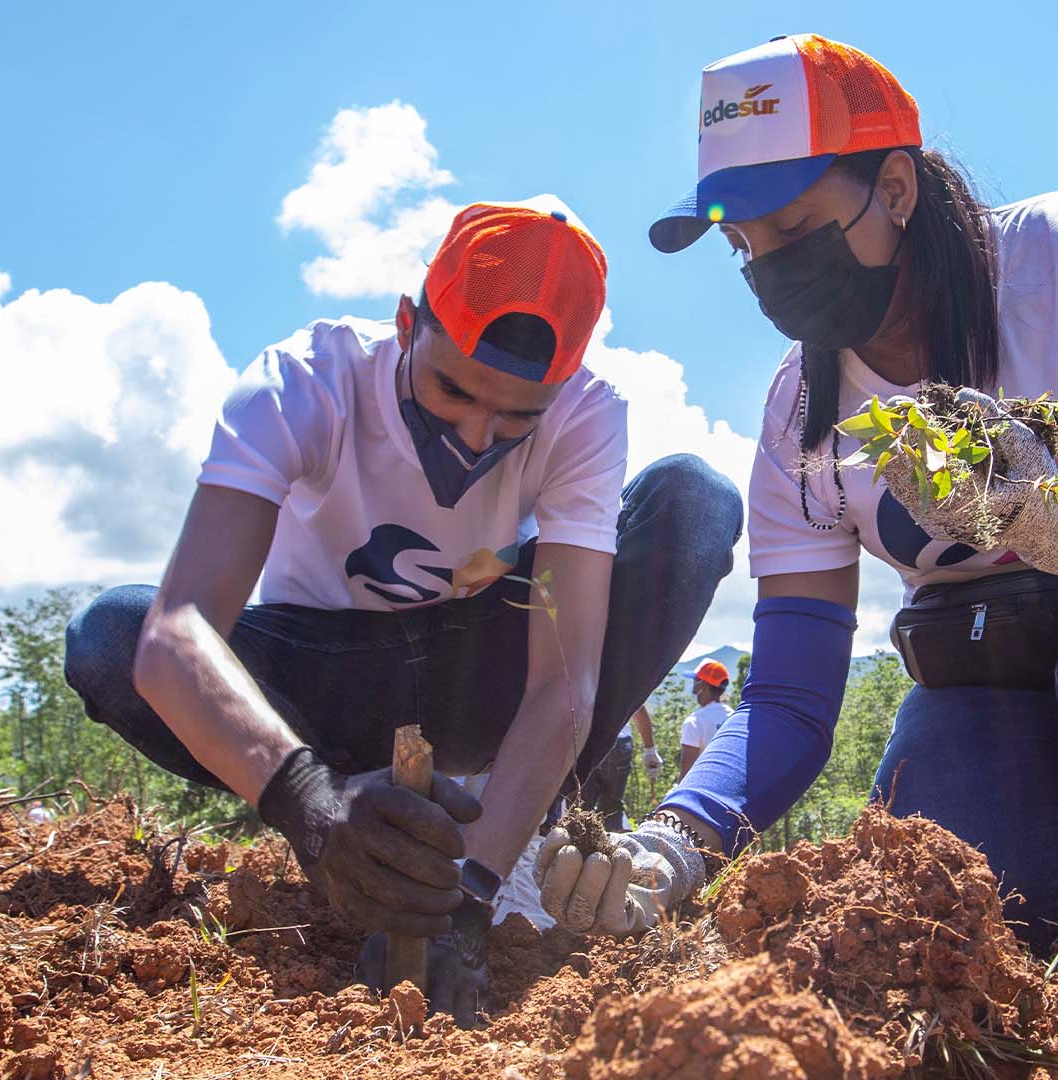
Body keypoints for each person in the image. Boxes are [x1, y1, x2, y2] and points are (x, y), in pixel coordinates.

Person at [534, 34, 1058, 956]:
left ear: (893, 188)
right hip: (1000, 696)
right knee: (936, 933)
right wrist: (676, 840)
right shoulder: (799, 419)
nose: (767, 265)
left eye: (793, 229)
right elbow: (792, 696)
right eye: (741, 245)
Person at [63, 196, 742, 1020]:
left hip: (484, 667)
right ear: (406, 321)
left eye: (516, 417)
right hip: (329, 683)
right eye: (452, 390)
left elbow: (564, 679)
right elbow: (177, 636)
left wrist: (465, 896)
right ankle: (363, 820)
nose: (476, 435)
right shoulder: (305, 383)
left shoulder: (586, 416)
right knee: (113, 634)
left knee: (693, 502)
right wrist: (311, 804)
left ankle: (508, 828)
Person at [583, 705, 661, 831]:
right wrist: (650, 749)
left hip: (586, 738)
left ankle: (576, 845)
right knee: (612, 806)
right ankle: (612, 845)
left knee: (580, 804)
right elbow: (638, 707)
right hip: (619, 742)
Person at [676, 660, 731, 781]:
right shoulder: (733, 716)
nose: (693, 687)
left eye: (695, 681)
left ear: (703, 685)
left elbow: (687, 771)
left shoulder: (695, 721)